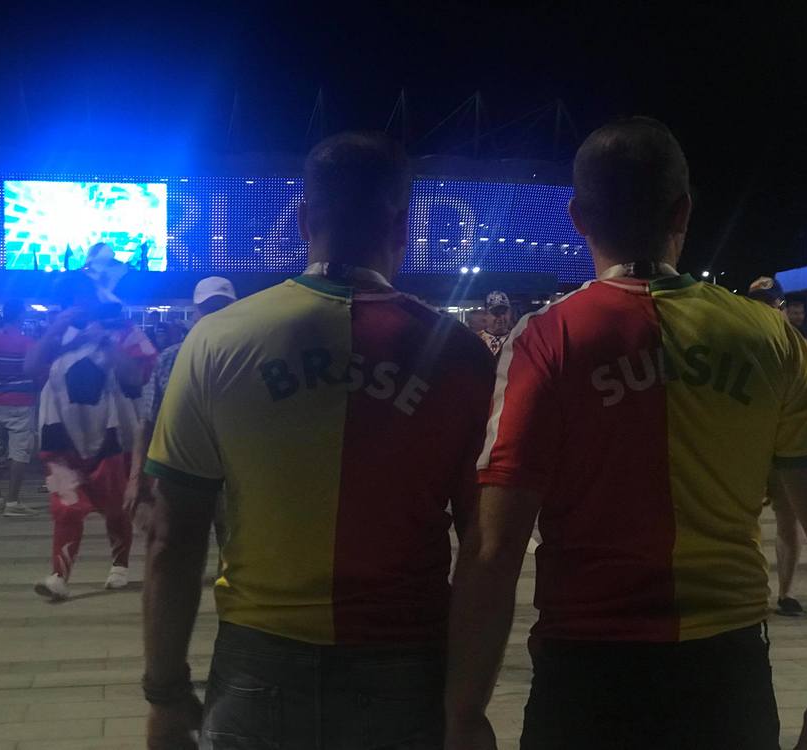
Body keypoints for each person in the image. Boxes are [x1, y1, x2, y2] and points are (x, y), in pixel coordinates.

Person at [445, 117, 807, 750]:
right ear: (683, 212)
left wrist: (464, 711)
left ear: (578, 218)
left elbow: (494, 548)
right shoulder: (769, 338)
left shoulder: (547, 339)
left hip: (586, 674)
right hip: (726, 675)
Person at [142, 132, 495, 750]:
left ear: (305, 220)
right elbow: (484, 550)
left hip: (259, 659)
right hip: (405, 660)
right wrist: (466, 710)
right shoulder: (459, 355)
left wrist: (165, 693)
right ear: (402, 226)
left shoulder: (216, 341)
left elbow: (171, 538)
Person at [27, 243, 157, 601]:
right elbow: (30, 366)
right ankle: (58, 576)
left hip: (111, 436)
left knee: (115, 505)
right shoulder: (59, 332)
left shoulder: (123, 330)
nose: (73, 305)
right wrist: (56, 332)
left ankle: (120, 564)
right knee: (65, 506)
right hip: (61, 436)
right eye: (68, 300)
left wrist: (108, 343)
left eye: (78, 298)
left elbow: (136, 377)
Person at [126, 276, 237, 544]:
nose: (215, 315)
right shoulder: (169, 359)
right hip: (181, 472)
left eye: (222, 308)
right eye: (209, 309)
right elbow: (147, 422)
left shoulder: (248, 356)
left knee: (234, 547)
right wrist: (137, 479)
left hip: (235, 476)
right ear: (196, 313)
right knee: (175, 547)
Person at [746, 276, 807, 617]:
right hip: (746, 445)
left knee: (788, 520)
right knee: (738, 520)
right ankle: (748, 589)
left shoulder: (796, 342)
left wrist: (785, 334)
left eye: (772, 305)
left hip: (785, 447)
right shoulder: (737, 339)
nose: (767, 311)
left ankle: (786, 593)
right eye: (759, 305)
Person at [0, 299, 39, 516]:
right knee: (19, 453)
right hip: (20, 401)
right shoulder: (27, 343)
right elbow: (32, 370)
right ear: (21, 316)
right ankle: (13, 502)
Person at [478, 291, 513, 356]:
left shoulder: (516, 339)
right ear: (485, 315)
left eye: (504, 312)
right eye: (496, 313)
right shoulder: (476, 340)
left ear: (510, 313)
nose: (501, 317)